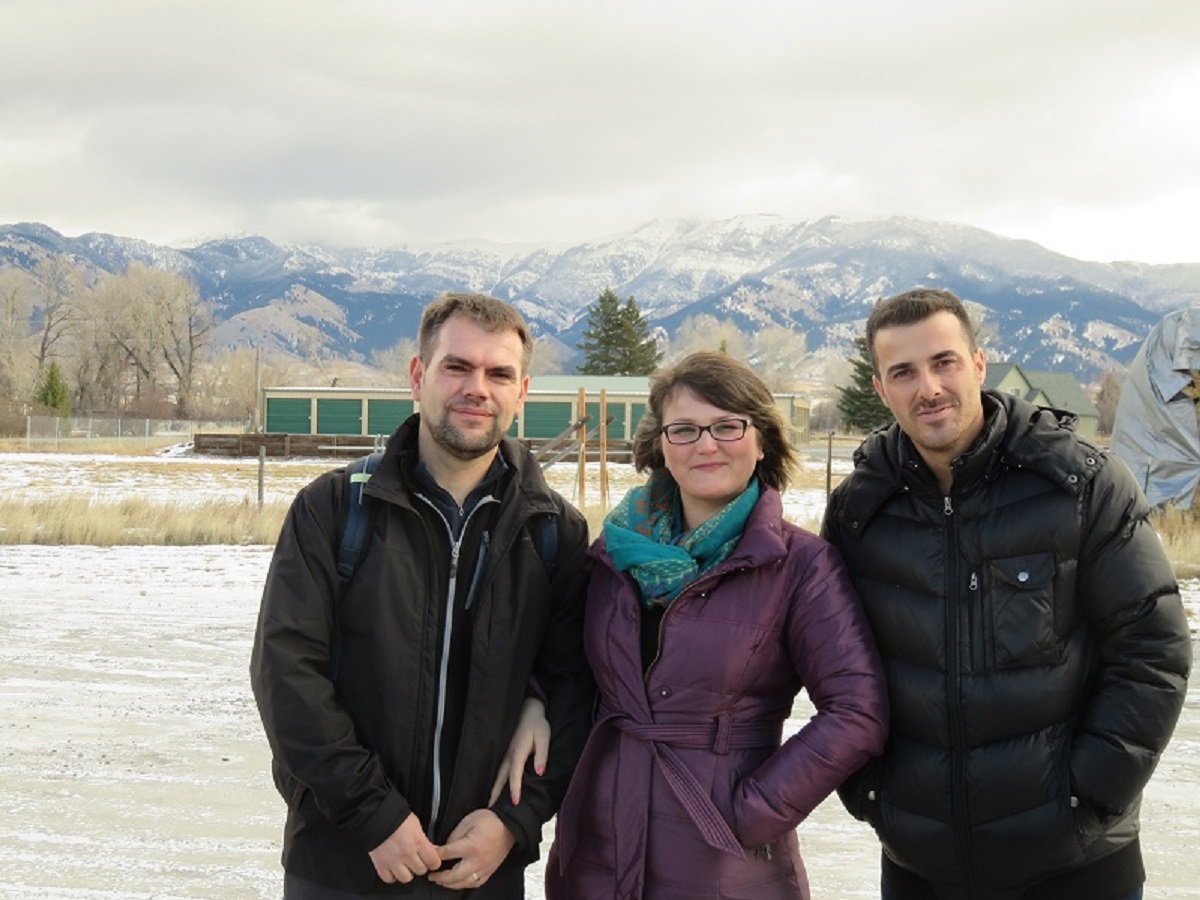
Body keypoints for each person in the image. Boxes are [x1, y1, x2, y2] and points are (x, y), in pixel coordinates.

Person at [821, 287, 1192, 900]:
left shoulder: (1078, 485)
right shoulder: (861, 511)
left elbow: (1152, 649)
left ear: (978, 364)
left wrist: (1088, 795)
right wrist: (871, 791)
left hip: (1076, 866)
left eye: (943, 362)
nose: (929, 388)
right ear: (882, 390)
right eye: (903, 373)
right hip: (921, 866)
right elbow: (833, 666)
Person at [249, 292, 594, 899]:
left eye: (498, 374)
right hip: (342, 862)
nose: (477, 388)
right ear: (418, 376)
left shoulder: (555, 532)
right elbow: (286, 675)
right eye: (457, 367)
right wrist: (374, 817)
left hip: (480, 867)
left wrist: (514, 822)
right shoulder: (334, 510)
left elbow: (574, 689)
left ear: (522, 391)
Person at [510, 351, 888, 898]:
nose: (706, 444)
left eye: (727, 426)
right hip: (598, 851)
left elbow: (858, 709)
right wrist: (535, 700)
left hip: (725, 861)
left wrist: (753, 813)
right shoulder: (612, 554)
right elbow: (569, 659)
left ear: (761, 440)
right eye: (684, 429)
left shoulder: (799, 564)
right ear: (660, 444)